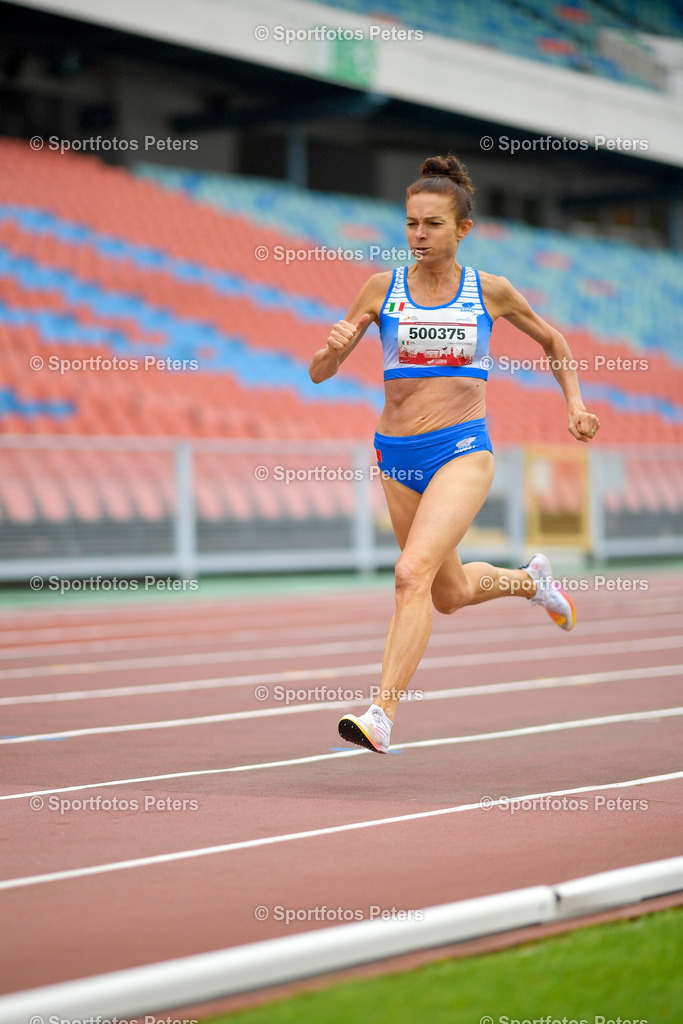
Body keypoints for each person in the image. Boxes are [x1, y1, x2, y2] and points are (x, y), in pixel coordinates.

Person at [308, 154, 600, 755]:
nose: (419, 235)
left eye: (433, 224)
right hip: (396, 455)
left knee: (409, 575)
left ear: (462, 228)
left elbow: (554, 340)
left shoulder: (488, 291)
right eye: (411, 223)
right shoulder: (380, 288)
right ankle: (531, 582)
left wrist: (573, 403)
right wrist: (332, 351)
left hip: (463, 448)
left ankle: (382, 714)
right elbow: (318, 374)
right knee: (448, 594)